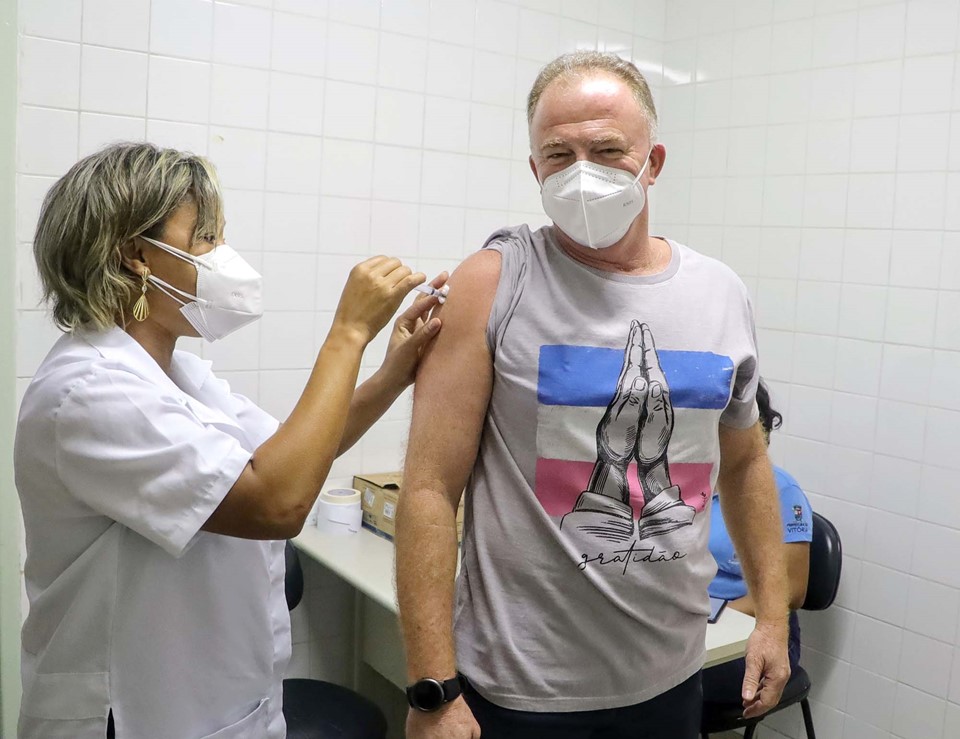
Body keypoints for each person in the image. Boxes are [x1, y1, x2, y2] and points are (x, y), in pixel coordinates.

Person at [395, 51, 791, 739]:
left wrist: (773, 616)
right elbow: (429, 487)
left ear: (652, 162)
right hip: (520, 693)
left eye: (608, 151)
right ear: (535, 170)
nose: (583, 173)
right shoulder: (496, 280)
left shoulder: (720, 292)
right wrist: (433, 688)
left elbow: (747, 460)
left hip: (670, 677)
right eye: (559, 154)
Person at [15, 142, 445, 739]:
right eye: (205, 238)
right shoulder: (90, 391)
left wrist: (391, 375)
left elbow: (295, 453)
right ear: (137, 256)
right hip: (135, 716)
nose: (223, 256)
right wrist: (348, 332)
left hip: (218, 702)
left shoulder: (178, 375)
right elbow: (278, 502)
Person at [702, 380, 812, 707]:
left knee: (673, 687)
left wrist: (717, 617)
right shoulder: (689, 486)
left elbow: (794, 590)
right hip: (695, 622)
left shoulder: (782, 492)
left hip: (755, 631)